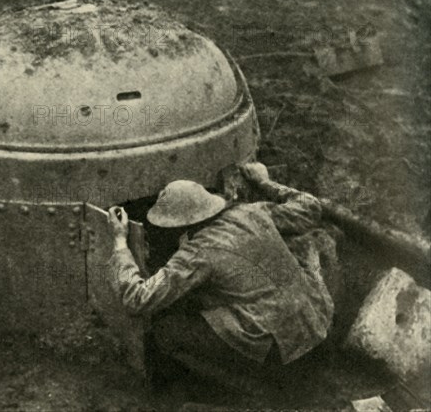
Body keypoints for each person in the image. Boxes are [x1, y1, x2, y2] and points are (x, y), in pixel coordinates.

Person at [107, 162, 334, 392]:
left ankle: (251, 389)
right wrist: (264, 183)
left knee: (166, 331)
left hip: (278, 348)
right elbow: (310, 207)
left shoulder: (197, 252)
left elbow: (136, 298)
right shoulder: (251, 212)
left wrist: (119, 243)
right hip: (315, 323)